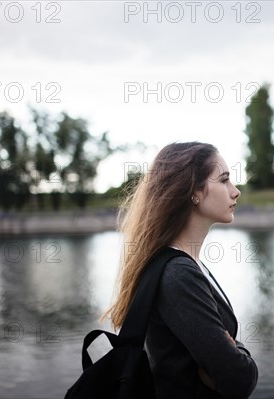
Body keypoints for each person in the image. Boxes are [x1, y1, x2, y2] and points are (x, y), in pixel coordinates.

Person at [101, 142, 258, 398]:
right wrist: (238, 353)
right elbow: (238, 379)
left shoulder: (185, 264)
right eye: (224, 180)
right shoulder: (179, 274)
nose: (236, 191)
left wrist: (230, 351)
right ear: (194, 192)